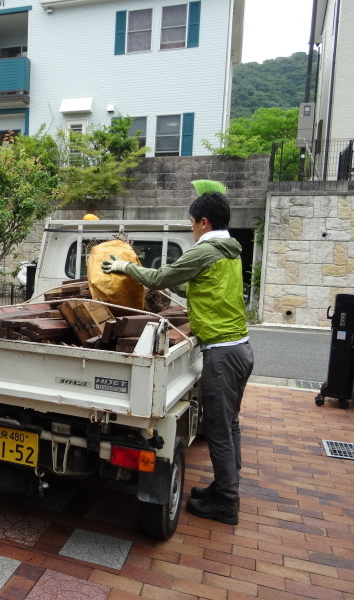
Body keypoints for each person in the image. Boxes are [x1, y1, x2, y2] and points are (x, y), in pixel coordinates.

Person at [101, 180, 254, 525]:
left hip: (223, 354)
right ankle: (225, 487)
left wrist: (126, 268)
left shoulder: (203, 250)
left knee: (218, 429)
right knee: (229, 425)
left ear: (203, 222)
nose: (190, 228)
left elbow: (158, 278)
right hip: (240, 349)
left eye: (191, 222)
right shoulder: (231, 249)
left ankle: (227, 500)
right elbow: (192, 282)